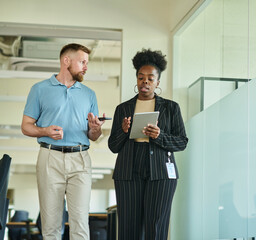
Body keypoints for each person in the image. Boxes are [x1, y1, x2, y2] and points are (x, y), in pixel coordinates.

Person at [21, 43, 105, 240]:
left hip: (81, 159)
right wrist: (45, 131)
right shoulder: (39, 89)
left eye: (87, 63)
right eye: (82, 62)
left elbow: (93, 136)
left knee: (81, 224)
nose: (86, 67)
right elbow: (26, 126)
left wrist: (96, 129)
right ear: (66, 61)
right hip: (50, 157)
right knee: (50, 225)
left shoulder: (89, 94)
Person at [108, 48, 188, 240]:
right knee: (128, 227)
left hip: (160, 171)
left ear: (157, 82)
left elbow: (182, 142)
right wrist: (124, 132)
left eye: (150, 78)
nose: (145, 81)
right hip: (128, 170)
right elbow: (113, 146)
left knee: (156, 226)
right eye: (141, 77)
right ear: (136, 80)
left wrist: (159, 136)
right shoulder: (123, 108)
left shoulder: (171, 108)